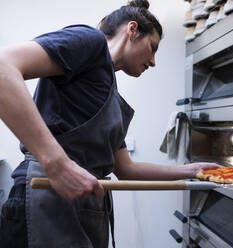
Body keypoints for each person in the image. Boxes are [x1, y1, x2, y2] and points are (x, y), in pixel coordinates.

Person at [0, 0, 220, 247]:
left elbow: (126, 169)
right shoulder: (90, 41)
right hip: (45, 198)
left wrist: (191, 172)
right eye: (153, 47)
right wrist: (57, 163)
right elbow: (3, 66)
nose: (154, 61)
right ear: (132, 30)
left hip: (83, 205)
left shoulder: (111, 98)